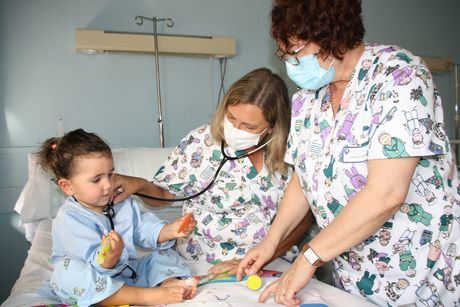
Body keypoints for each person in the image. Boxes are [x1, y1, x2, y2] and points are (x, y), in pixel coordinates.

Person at [236, 1, 460, 306]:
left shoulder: (399, 77)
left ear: (334, 38)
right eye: (284, 52)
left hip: (423, 271)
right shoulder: (306, 100)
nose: (290, 62)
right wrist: (270, 241)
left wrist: (309, 257)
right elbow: (304, 181)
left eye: (297, 51)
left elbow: (387, 193)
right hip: (354, 271)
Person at [113, 67, 313, 275]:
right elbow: (166, 194)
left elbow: (304, 215)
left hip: (272, 260)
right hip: (204, 261)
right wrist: (139, 185)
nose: (236, 129)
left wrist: (266, 255)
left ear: (272, 126)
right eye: (231, 117)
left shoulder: (291, 153)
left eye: (249, 126)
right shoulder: (201, 143)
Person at [35, 129, 197, 307]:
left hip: (128, 276)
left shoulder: (120, 202)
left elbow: (143, 228)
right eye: (96, 180)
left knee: (163, 255)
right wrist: (110, 258)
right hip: (95, 280)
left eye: (110, 174)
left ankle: (168, 283)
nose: (108, 184)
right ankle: (146, 297)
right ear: (67, 187)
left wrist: (171, 231)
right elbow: (92, 263)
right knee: (66, 273)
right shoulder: (69, 219)